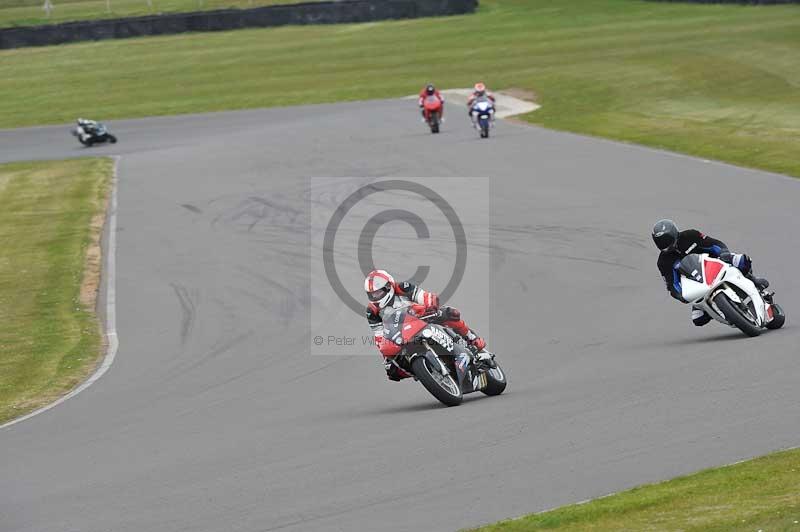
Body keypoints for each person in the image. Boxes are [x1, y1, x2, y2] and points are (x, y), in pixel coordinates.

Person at [364, 269, 490, 381]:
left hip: (421, 316)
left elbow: (423, 296)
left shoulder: (403, 287)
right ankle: (422, 372)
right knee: (392, 371)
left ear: (388, 286)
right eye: (372, 294)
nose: (375, 297)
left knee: (450, 313)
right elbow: (379, 336)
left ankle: (472, 339)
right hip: (400, 333)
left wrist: (431, 304)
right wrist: (385, 353)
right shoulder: (372, 311)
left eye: (378, 293)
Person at [652, 219, 769, 326]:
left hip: (716, 264)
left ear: (674, 234)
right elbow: (671, 284)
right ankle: (717, 309)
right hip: (698, 285)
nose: (666, 246)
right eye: (661, 243)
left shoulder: (690, 235)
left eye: (667, 241)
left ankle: (752, 279)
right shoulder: (663, 262)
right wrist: (679, 295)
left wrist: (723, 252)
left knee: (742, 260)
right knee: (698, 319)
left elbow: (715, 244)